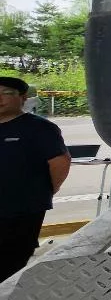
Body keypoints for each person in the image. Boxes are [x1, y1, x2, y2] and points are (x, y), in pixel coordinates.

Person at [0, 76, 72, 283]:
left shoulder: (40, 128)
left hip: (21, 211)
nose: (0, 98)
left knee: (9, 267)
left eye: (6, 93)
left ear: (23, 98)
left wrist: (45, 190)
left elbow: (60, 163)